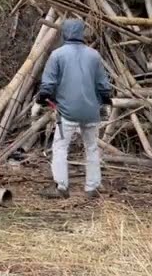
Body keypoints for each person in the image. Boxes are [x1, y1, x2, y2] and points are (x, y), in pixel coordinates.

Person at [35, 18, 112, 199]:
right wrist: (105, 101)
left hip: (68, 111)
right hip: (91, 111)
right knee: (92, 147)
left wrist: (42, 98)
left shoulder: (57, 55)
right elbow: (104, 86)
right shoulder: (94, 55)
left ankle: (61, 187)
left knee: (61, 147)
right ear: (81, 33)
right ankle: (92, 187)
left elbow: (48, 85)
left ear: (65, 33)